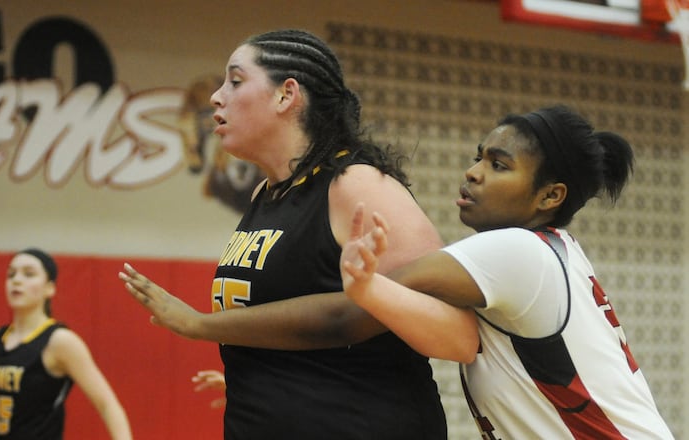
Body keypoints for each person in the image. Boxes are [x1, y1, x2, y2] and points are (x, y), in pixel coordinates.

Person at [119, 29, 477, 440]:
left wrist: (198, 324)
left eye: (235, 81)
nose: (217, 96)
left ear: (286, 96)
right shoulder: (265, 194)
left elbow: (459, 336)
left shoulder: (357, 185)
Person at [339, 105, 674, 439]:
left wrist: (362, 285)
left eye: (498, 165)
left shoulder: (516, 252)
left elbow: (347, 315)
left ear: (550, 196)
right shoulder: (555, 251)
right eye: (478, 157)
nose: (473, 172)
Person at [0, 248, 133, 440]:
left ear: (49, 288)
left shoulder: (60, 341)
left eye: (28, 274)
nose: (17, 280)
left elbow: (108, 405)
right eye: (11, 274)